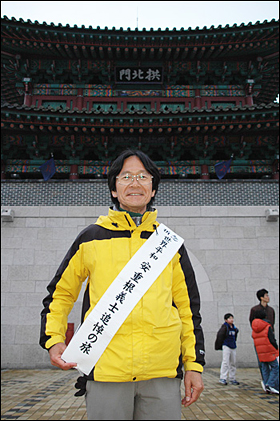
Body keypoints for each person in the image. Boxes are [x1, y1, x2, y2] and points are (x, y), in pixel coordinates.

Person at [40, 149, 205, 420]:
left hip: (161, 372)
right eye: (125, 176)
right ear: (114, 189)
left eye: (143, 176)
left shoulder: (170, 246)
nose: (135, 182)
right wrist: (54, 339)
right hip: (106, 371)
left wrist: (194, 365)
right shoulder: (91, 238)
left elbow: (188, 310)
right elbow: (60, 293)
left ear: (153, 189)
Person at [249, 288, 276, 386]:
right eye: (266, 295)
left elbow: (272, 325)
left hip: (270, 340)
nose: (268, 297)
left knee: (272, 362)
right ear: (261, 297)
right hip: (260, 340)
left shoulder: (271, 310)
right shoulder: (255, 310)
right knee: (262, 363)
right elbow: (253, 325)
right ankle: (267, 382)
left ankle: (270, 382)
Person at [251, 309, 279, 394]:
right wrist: (276, 348)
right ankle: (270, 384)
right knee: (275, 367)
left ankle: (267, 385)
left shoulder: (254, 328)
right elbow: (271, 339)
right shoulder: (267, 326)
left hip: (260, 351)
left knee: (265, 368)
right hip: (269, 350)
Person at [215, 313, 239, 386]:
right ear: (226, 320)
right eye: (229, 318)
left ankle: (232, 378)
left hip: (233, 346)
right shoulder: (225, 327)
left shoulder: (234, 328)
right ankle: (223, 378)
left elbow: (235, 337)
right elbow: (220, 336)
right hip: (226, 346)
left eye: (232, 318)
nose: (231, 320)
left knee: (233, 362)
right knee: (225, 362)